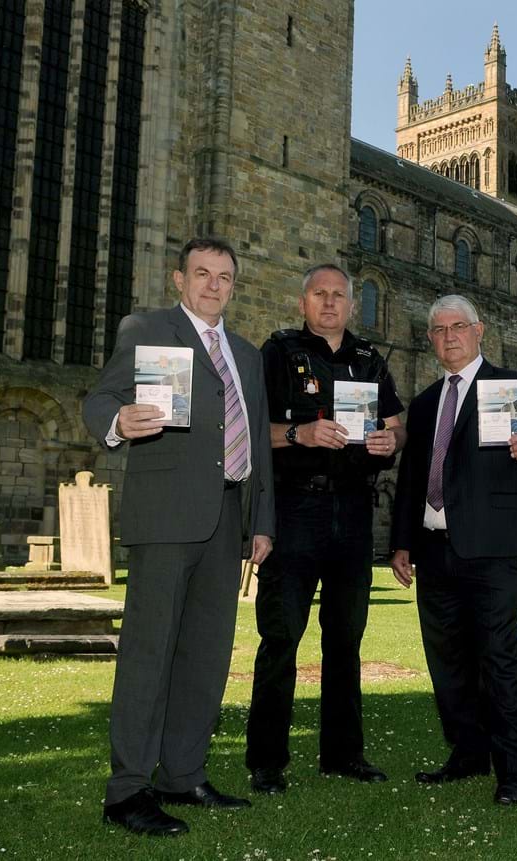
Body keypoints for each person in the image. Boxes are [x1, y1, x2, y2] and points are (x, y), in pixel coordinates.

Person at [83, 238, 275, 836]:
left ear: (233, 287)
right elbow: (101, 397)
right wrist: (119, 421)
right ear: (179, 279)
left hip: (226, 523)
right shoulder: (147, 329)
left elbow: (260, 441)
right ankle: (127, 790)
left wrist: (262, 521)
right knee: (149, 653)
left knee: (206, 656)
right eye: (202, 274)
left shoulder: (246, 354)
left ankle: (182, 774)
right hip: (165, 518)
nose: (213, 285)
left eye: (224, 277)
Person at [389, 295, 517, 806]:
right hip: (434, 550)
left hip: (492, 550)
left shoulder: (511, 387)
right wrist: (402, 541)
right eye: (439, 329)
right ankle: (467, 754)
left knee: (499, 658)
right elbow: (411, 478)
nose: (449, 336)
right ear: (430, 339)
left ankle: (513, 770)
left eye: (458, 327)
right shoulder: (424, 404)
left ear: (479, 331)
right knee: (448, 661)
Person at [244, 264, 405, 795]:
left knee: (345, 638)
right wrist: (300, 432)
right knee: (281, 636)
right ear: (303, 301)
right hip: (296, 510)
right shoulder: (280, 352)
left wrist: (390, 442)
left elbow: (394, 424)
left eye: (339, 295)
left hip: (353, 512)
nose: (330, 303)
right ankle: (267, 760)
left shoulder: (369, 360)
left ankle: (342, 754)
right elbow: (250, 431)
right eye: (320, 294)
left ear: (351, 305)